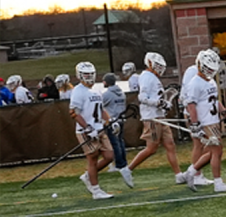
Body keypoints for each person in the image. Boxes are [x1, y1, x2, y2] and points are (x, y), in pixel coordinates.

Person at [178, 49, 226, 192]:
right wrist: (195, 124)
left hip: (213, 120)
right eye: (208, 68)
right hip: (206, 122)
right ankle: (218, 183)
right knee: (216, 151)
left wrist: (225, 112)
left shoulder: (210, 82)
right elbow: (191, 105)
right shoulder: (195, 83)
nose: (210, 72)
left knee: (214, 151)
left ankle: (191, 172)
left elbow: (214, 101)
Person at [127, 52, 184, 183]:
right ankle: (128, 169)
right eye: (157, 65)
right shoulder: (146, 76)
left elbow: (157, 98)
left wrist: (164, 104)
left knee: (170, 144)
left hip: (159, 116)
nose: (160, 68)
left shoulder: (153, 77)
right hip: (151, 117)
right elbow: (142, 98)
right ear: (150, 63)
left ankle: (178, 175)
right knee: (152, 148)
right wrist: (158, 103)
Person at [67, 61, 116, 199]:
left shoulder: (96, 90)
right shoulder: (78, 91)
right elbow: (73, 113)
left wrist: (110, 121)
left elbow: (100, 110)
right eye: (86, 74)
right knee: (92, 159)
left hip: (99, 129)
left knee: (109, 156)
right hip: (86, 132)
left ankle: (88, 176)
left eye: (91, 74)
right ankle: (96, 190)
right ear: (79, 75)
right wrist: (87, 128)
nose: (89, 77)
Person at [99, 73, 134, 187]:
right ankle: (123, 163)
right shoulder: (121, 93)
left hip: (112, 121)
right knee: (120, 142)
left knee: (115, 143)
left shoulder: (108, 94)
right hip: (120, 119)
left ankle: (119, 165)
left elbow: (100, 106)